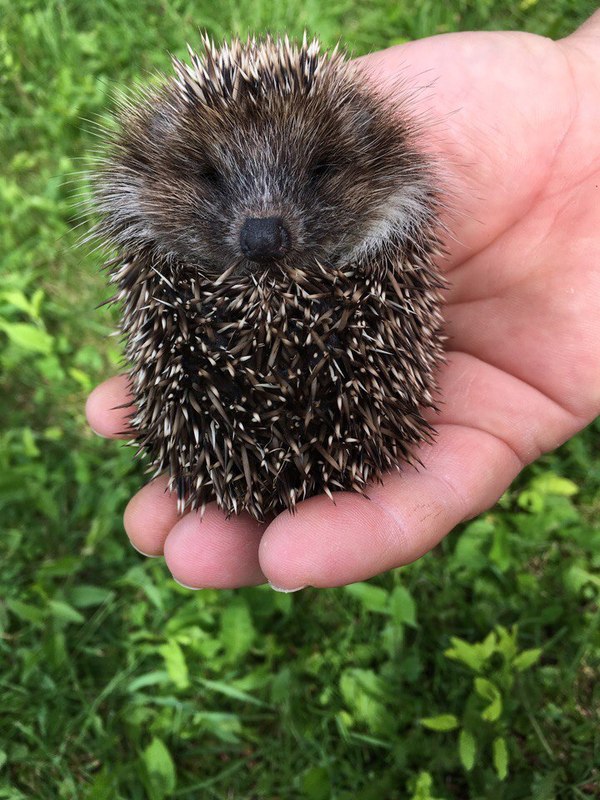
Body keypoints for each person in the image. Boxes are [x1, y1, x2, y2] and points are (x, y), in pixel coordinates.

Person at [86, 12, 600, 591]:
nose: (263, 233)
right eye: (213, 180)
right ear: (168, 159)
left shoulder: (380, 164)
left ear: (353, 146)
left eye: (314, 174)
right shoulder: (153, 188)